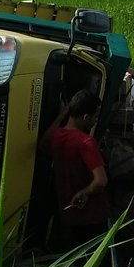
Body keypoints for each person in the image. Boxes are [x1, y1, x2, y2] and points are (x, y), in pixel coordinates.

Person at [39, 89, 111, 251]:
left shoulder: (56, 137)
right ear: (85, 117)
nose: (95, 121)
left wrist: (61, 115)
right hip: (92, 216)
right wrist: (84, 192)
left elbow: (43, 144)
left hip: (67, 215)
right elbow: (101, 181)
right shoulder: (86, 142)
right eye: (95, 116)